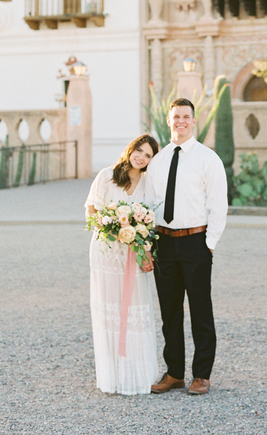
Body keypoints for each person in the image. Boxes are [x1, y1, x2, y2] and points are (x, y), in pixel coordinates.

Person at [144, 98, 228, 396]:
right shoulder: (159, 160)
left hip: (196, 242)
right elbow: (150, 204)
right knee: (170, 312)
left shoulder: (208, 159)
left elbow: (218, 205)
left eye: (185, 116)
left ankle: (202, 374)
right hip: (164, 242)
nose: (180, 121)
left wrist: (210, 245)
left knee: (200, 310)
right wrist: (149, 243)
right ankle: (175, 373)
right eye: (176, 116)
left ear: (193, 121)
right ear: (169, 121)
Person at [84, 134, 160, 395]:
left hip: (133, 252)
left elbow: (149, 221)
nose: (141, 156)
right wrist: (111, 227)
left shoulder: (149, 183)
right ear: (131, 149)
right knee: (110, 309)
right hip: (106, 252)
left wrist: (143, 247)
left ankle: (135, 373)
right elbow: (91, 212)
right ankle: (112, 375)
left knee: (133, 308)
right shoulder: (106, 175)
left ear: (151, 161)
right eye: (139, 150)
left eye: (148, 155)